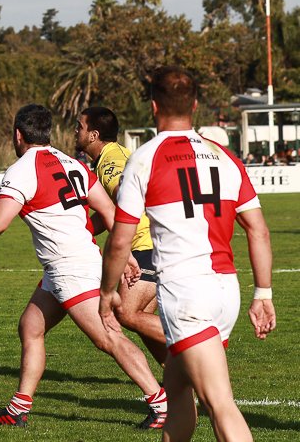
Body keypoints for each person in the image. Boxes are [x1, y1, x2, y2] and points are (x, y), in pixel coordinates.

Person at [0, 104, 167, 429]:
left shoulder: (22, 168)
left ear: (18, 135)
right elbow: (111, 212)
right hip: (70, 264)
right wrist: (124, 253)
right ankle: (18, 409)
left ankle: (161, 404)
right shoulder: (73, 163)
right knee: (30, 326)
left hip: (70, 268)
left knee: (109, 337)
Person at [100, 67, 275, 442]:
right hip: (225, 291)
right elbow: (258, 229)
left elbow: (119, 240)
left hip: (186, 295)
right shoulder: (224, 156)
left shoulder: (145, 158)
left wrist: (106, 293)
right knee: (179, 397)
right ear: (195, 105)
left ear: (153, 106)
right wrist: (263, 293)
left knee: (220, 405)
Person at [76, 106, 166, 365]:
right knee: (142, 317)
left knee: (126, 313)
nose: (75, 131)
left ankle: (198, 341)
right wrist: (80, 230)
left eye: (79, 127)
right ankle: (176, 378)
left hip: (145, 243)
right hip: (152, 239)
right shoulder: (119, 154)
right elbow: (111, 211)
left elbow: (123, 199)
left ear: (93, 135)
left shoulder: (109, 162)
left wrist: (123, 250)